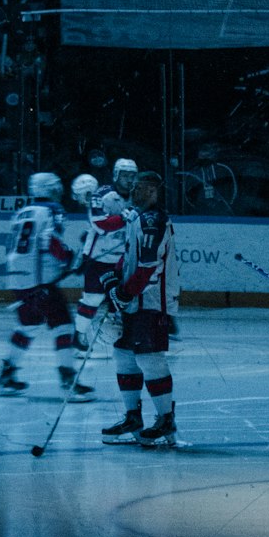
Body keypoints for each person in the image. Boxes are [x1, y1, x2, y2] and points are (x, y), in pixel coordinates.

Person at [99, 170, 180, 448]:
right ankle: (133, 416)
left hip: (151, 302)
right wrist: (115, 276)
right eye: (133, 187)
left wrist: (123, 292)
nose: (134, 191)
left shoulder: (154, 221)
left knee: (150, 358)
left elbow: (147, 268)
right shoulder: (138, 217)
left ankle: (165, 418)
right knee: (123, 355)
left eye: (141, 187)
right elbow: (130, 256)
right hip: (135, 300)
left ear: (154, 191)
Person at [0, 172, 95, 400]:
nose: (58, 191)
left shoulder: (21, 212)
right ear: (49, 189)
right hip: (38, 279)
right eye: (55, 187)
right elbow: (49, 241)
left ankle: (6, 375)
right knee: (63, 326)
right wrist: (71, 259)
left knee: (28, 325)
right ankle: (68, 379)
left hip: (17, 277)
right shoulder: (52, 210)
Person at [75, 156, 137, 348]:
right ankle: (78, 336)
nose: (129, 180)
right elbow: (100, 224)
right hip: (99, 258)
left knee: (123, 301)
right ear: (116, 175)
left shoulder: (139, 196)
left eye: (132, 176)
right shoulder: (101, 194)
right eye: (125, 175)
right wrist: (123, 218)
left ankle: (122, 337)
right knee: (92, 299)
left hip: (124, 259)